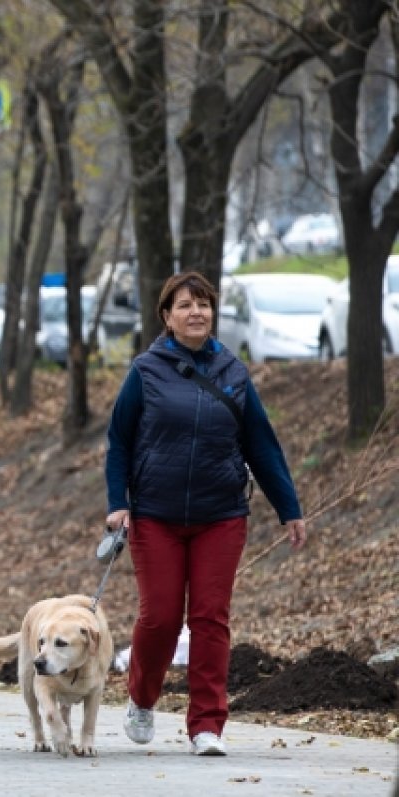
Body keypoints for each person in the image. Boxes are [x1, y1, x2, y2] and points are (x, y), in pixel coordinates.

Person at [105, 271, 306, 757]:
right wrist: (118, 503)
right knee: (161, 619)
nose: (196, 312)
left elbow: (261, 443)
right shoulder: (145, 371)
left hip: (221, 515)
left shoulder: (234, 373)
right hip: (155, 515)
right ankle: (142, 698)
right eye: (185, 305)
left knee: (210, 618)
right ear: (167, 317)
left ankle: (207, 724)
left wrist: (289, 508)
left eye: (204, 304)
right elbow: (120, 441)